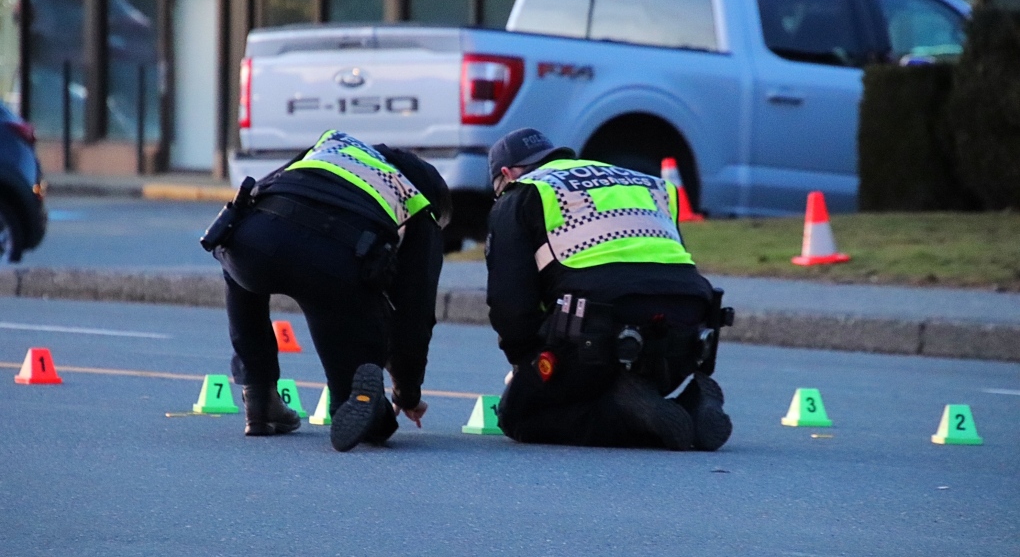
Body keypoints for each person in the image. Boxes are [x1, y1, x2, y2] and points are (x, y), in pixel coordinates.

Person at [485, 127, 733, 451]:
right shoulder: (645, 182)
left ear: (506, 174)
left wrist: (524, 362)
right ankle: (691, 405)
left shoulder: (523, 193)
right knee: (611, 375)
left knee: (520, 415)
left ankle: (628, 413)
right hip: (687, 331)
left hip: (597, 336)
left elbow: (511, 302)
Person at [202, 130, 450, 452]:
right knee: (367, 410)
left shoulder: (333, 145)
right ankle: (363, 409)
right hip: (332, 267)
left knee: (237, 264)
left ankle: (259, 397)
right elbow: (415, 311)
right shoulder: (417, 202)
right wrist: (407, 392)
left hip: (255, 241)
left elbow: (258, 194)